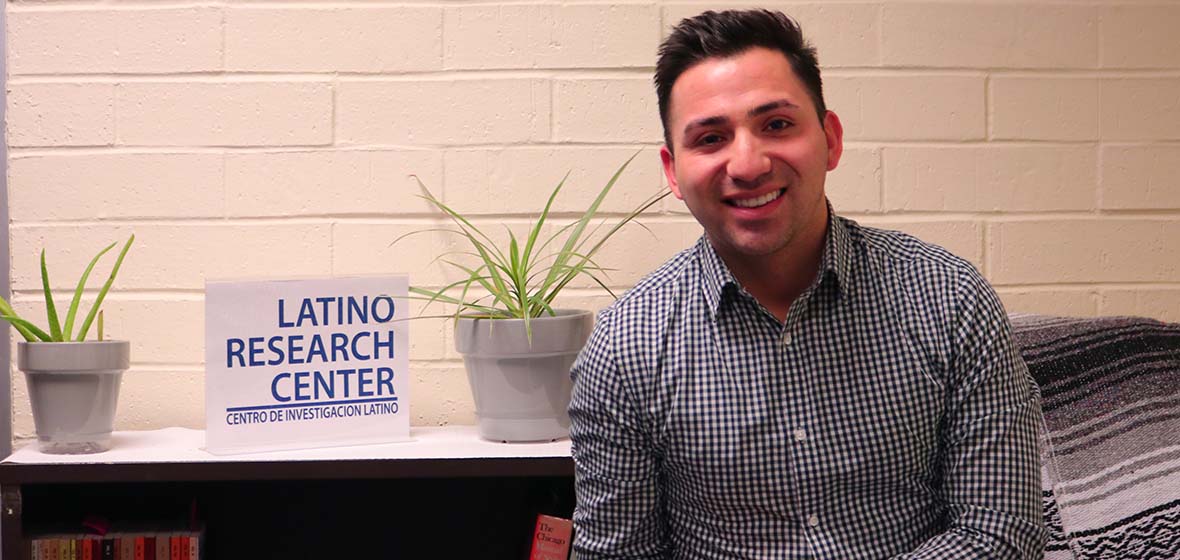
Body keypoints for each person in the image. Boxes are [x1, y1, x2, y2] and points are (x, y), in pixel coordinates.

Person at [568, 9, 1047, 559]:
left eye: (776, 125)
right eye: (710, 137)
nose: (747, 164)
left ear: (830, 140)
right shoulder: (625, 346)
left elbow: (1001, 533)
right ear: (673, 172)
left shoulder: (949, 298)